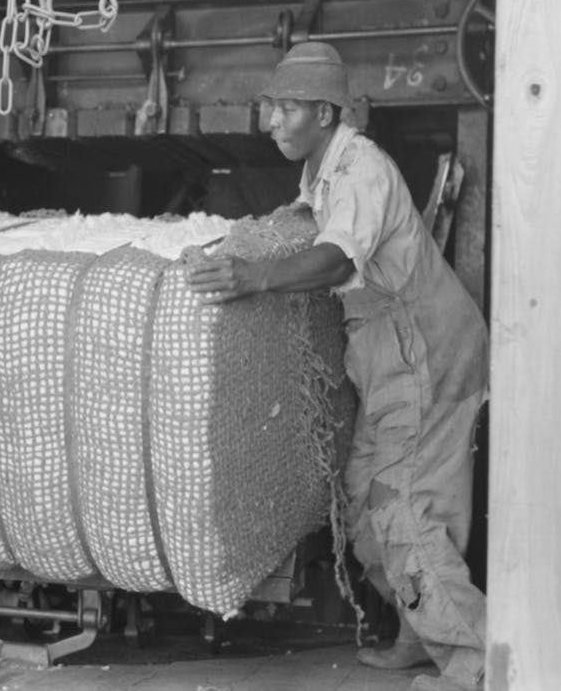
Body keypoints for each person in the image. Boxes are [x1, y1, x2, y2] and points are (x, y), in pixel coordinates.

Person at [186, 42, 488, 691]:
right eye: (269, 107)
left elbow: (335, 260)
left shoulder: (361, 170)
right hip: (384, 355)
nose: (270, 122)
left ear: (324, 113)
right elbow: (309, 227)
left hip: (424, 349)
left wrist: (252, 275)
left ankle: (477, 665)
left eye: (286, 109)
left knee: (403, 506)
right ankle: (419, 632)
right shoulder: (321, 172)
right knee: (360, 502)